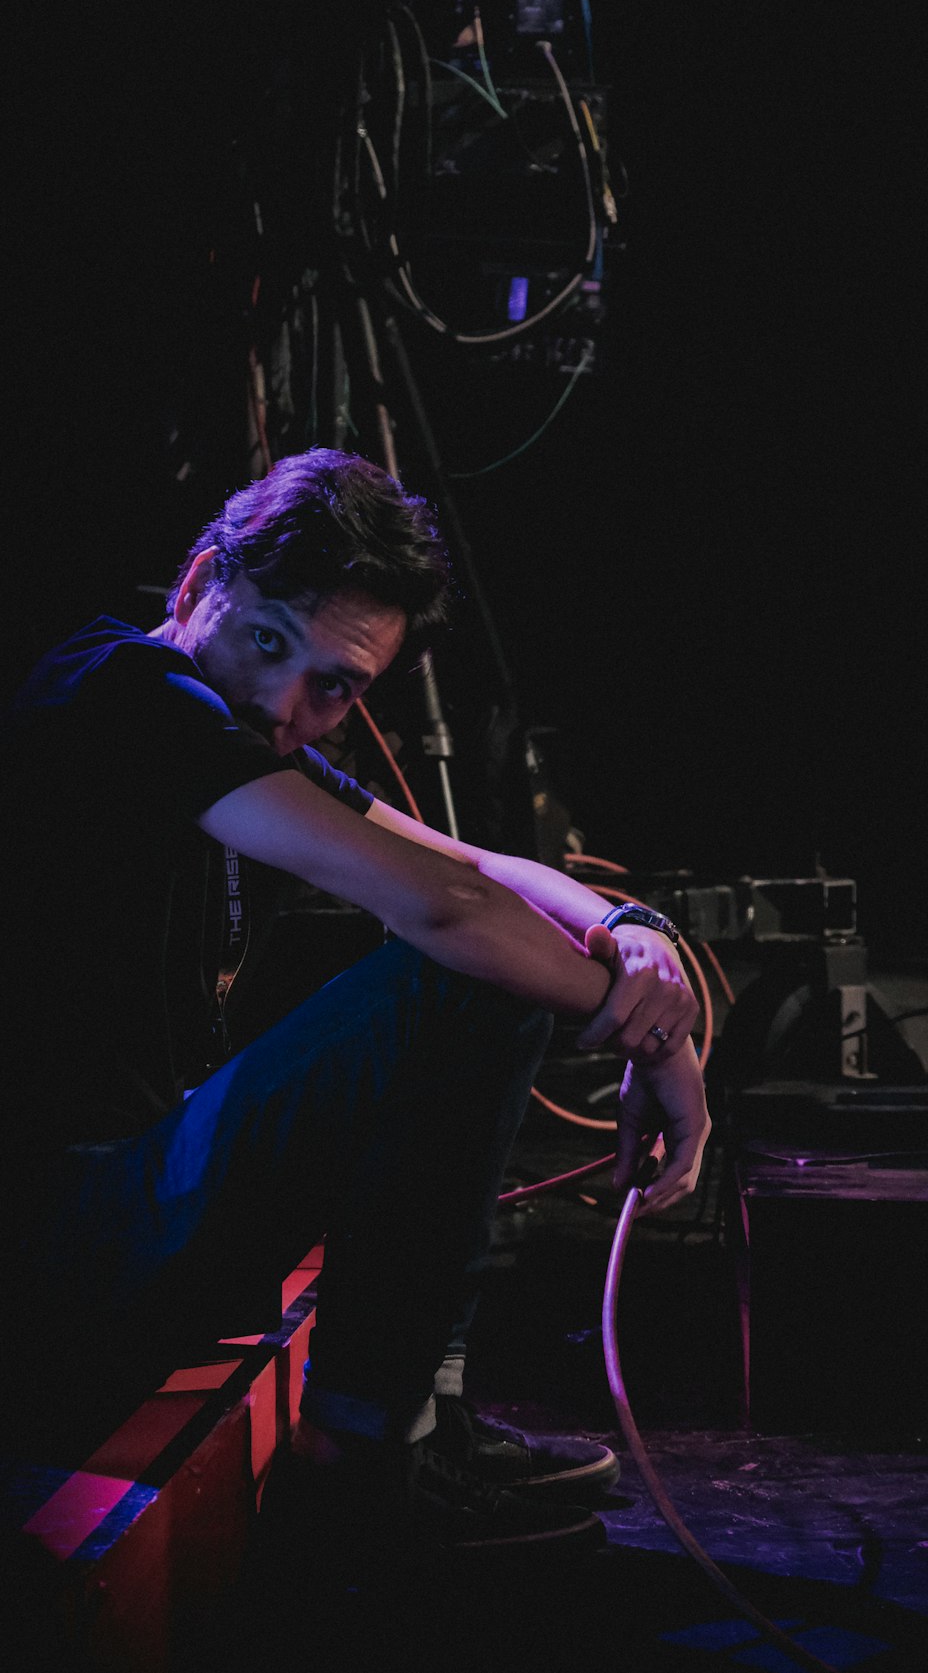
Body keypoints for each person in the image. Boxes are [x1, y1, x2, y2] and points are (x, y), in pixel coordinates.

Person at [0, 448, 709, 1568]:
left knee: (491, 952)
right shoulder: (127, 693)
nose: (287, 703)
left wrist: (633, 932)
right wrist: (650, 1034)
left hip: (126, 1214)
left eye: (335, 685)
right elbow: (447, 910)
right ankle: (363, 1456)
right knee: (465, 968)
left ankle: (420, 1421)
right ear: (197, 589)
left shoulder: (241, 733)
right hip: (60, 1256)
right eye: (267, 641)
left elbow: (468, 862)